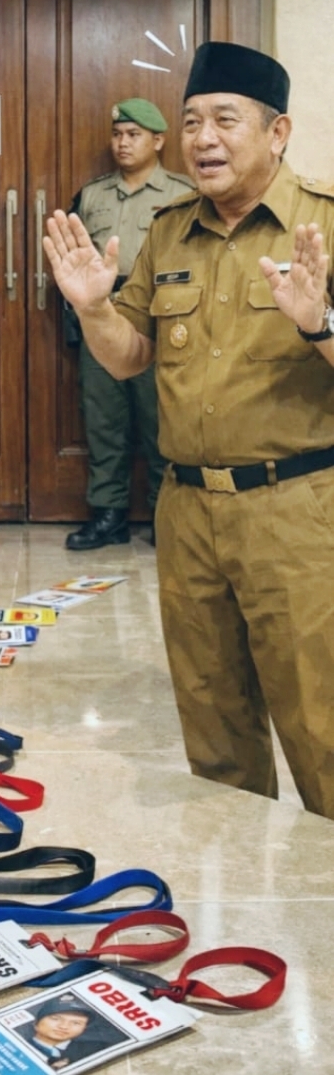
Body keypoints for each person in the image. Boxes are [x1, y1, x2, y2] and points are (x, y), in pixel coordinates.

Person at [43, 42, 334, 820]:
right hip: (188, 513)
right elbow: (130, 356)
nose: (203, 138)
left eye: (225, 121)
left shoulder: (324, 224)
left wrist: (320, 324)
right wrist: (94, 309)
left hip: (297, 514)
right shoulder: (170, 230)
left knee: (322, 726)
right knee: (214, 733)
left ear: (278, 131)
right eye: (193, 121)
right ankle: (234, 879)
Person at [65, 99, 192, 551]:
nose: (122, 143)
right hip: (104, 318)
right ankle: (108, 515)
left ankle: (164, 515)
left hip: (159, 321)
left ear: (158, 141)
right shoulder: (92, 195)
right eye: (117, 134)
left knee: (163, 421)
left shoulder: (183, 192)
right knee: (104, 422)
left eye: (133, 135)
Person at [16, 995, 126, 1069]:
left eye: (76, 1023)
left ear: (84, 1028)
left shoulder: (94, 1048)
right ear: (36, 1022)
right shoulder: (19, 1044)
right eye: (55, 1019)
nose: (64, 1026)